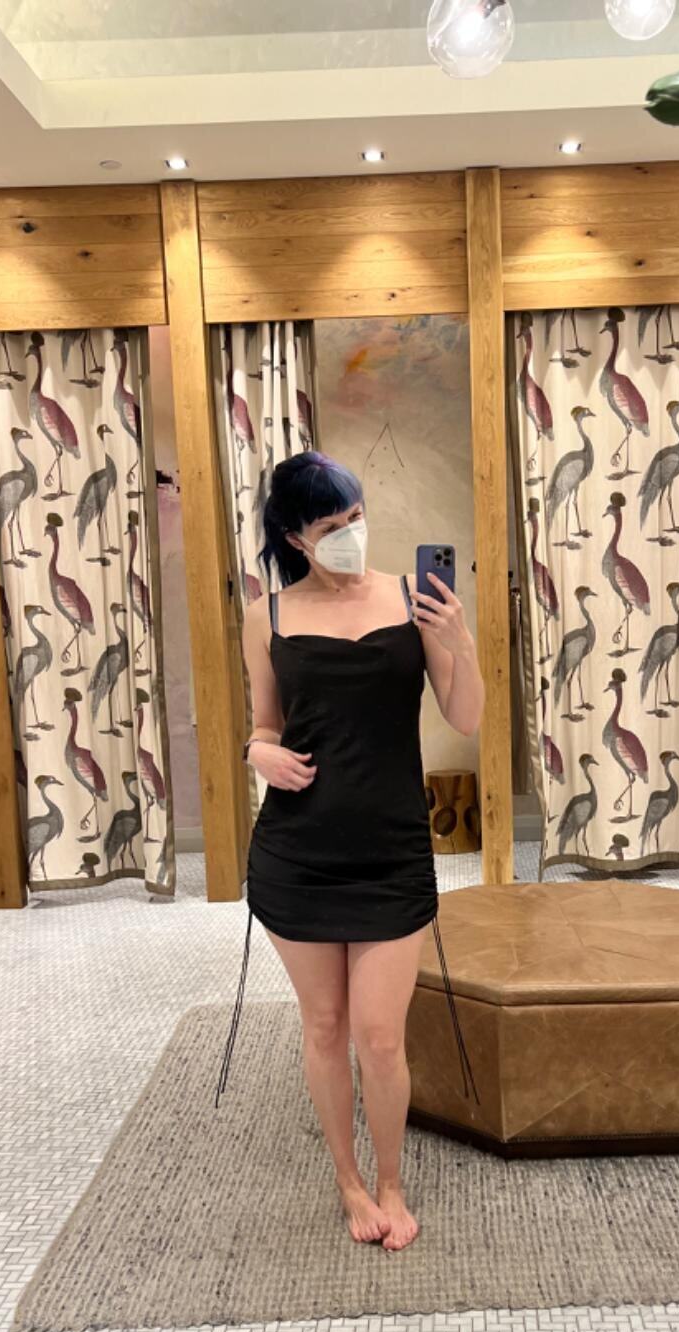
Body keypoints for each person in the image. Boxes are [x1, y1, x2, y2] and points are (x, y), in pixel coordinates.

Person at [217, 451, 485, 1251]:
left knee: (380, 1036)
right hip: (296, 851)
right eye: (332, 525)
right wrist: (256, 754)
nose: (351, 533)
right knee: (325, 1026)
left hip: (391, 849)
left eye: (356, 516)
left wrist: (460, 641)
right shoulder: (266, 616)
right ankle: (348, 1182)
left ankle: (392, 1182)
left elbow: (465, 717)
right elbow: (266, 725)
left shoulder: (413, 599)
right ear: (295, 538)